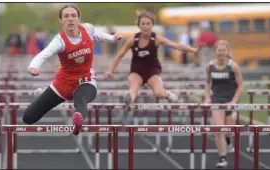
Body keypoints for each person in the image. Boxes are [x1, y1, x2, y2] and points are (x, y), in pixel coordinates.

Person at [22, 4, 122, 135]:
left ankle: (77, 121)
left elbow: (98, 35)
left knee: (81, 99)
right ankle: (44, 93)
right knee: (28, 118)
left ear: (79, 19)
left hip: (85, 81)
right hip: (63, 84)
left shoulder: (88, 29)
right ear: (61, 21)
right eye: (66, 16)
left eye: (73, 16)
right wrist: (33, 67)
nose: (70, 19)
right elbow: (44, 54)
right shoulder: (59, 41)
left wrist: (112, 38)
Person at [104, 10, 198, 111]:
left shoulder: (156, 38)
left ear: (152, 25)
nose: (145, 26)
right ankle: (129, 101)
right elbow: (119, 55)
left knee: (158, 92)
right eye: (143, 24)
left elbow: (176, 46)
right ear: (139, 26)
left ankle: (169, 95)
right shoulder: (133, 39)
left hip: (152, 72)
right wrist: (110, 70)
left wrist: (193, 50)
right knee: (133, 88)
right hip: (136, 71)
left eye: (148, 24)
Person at [204, 40, 244, 168]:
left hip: (230, 101)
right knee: (219, 129)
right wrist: (207, 98)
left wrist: (234, 101)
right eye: (219, 50)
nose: (221, 52)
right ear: (215, 51)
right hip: (217, 101)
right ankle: (222, 158)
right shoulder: (209, 66)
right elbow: (208, 83)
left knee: (229, 131)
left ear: (227, 52)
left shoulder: (233, 66)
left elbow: (241, 85)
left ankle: (229, 139)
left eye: (223, 50)